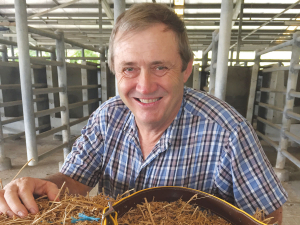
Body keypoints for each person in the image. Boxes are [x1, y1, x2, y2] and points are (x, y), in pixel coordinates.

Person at [0, 3, 287, 224]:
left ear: (186, 69)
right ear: (115, 70)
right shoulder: (107, 117)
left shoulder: (228, 132)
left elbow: (267, 216)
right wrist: (41, 185)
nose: (145, 86)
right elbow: (74, 182)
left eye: (160, 66)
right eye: (129, 68)